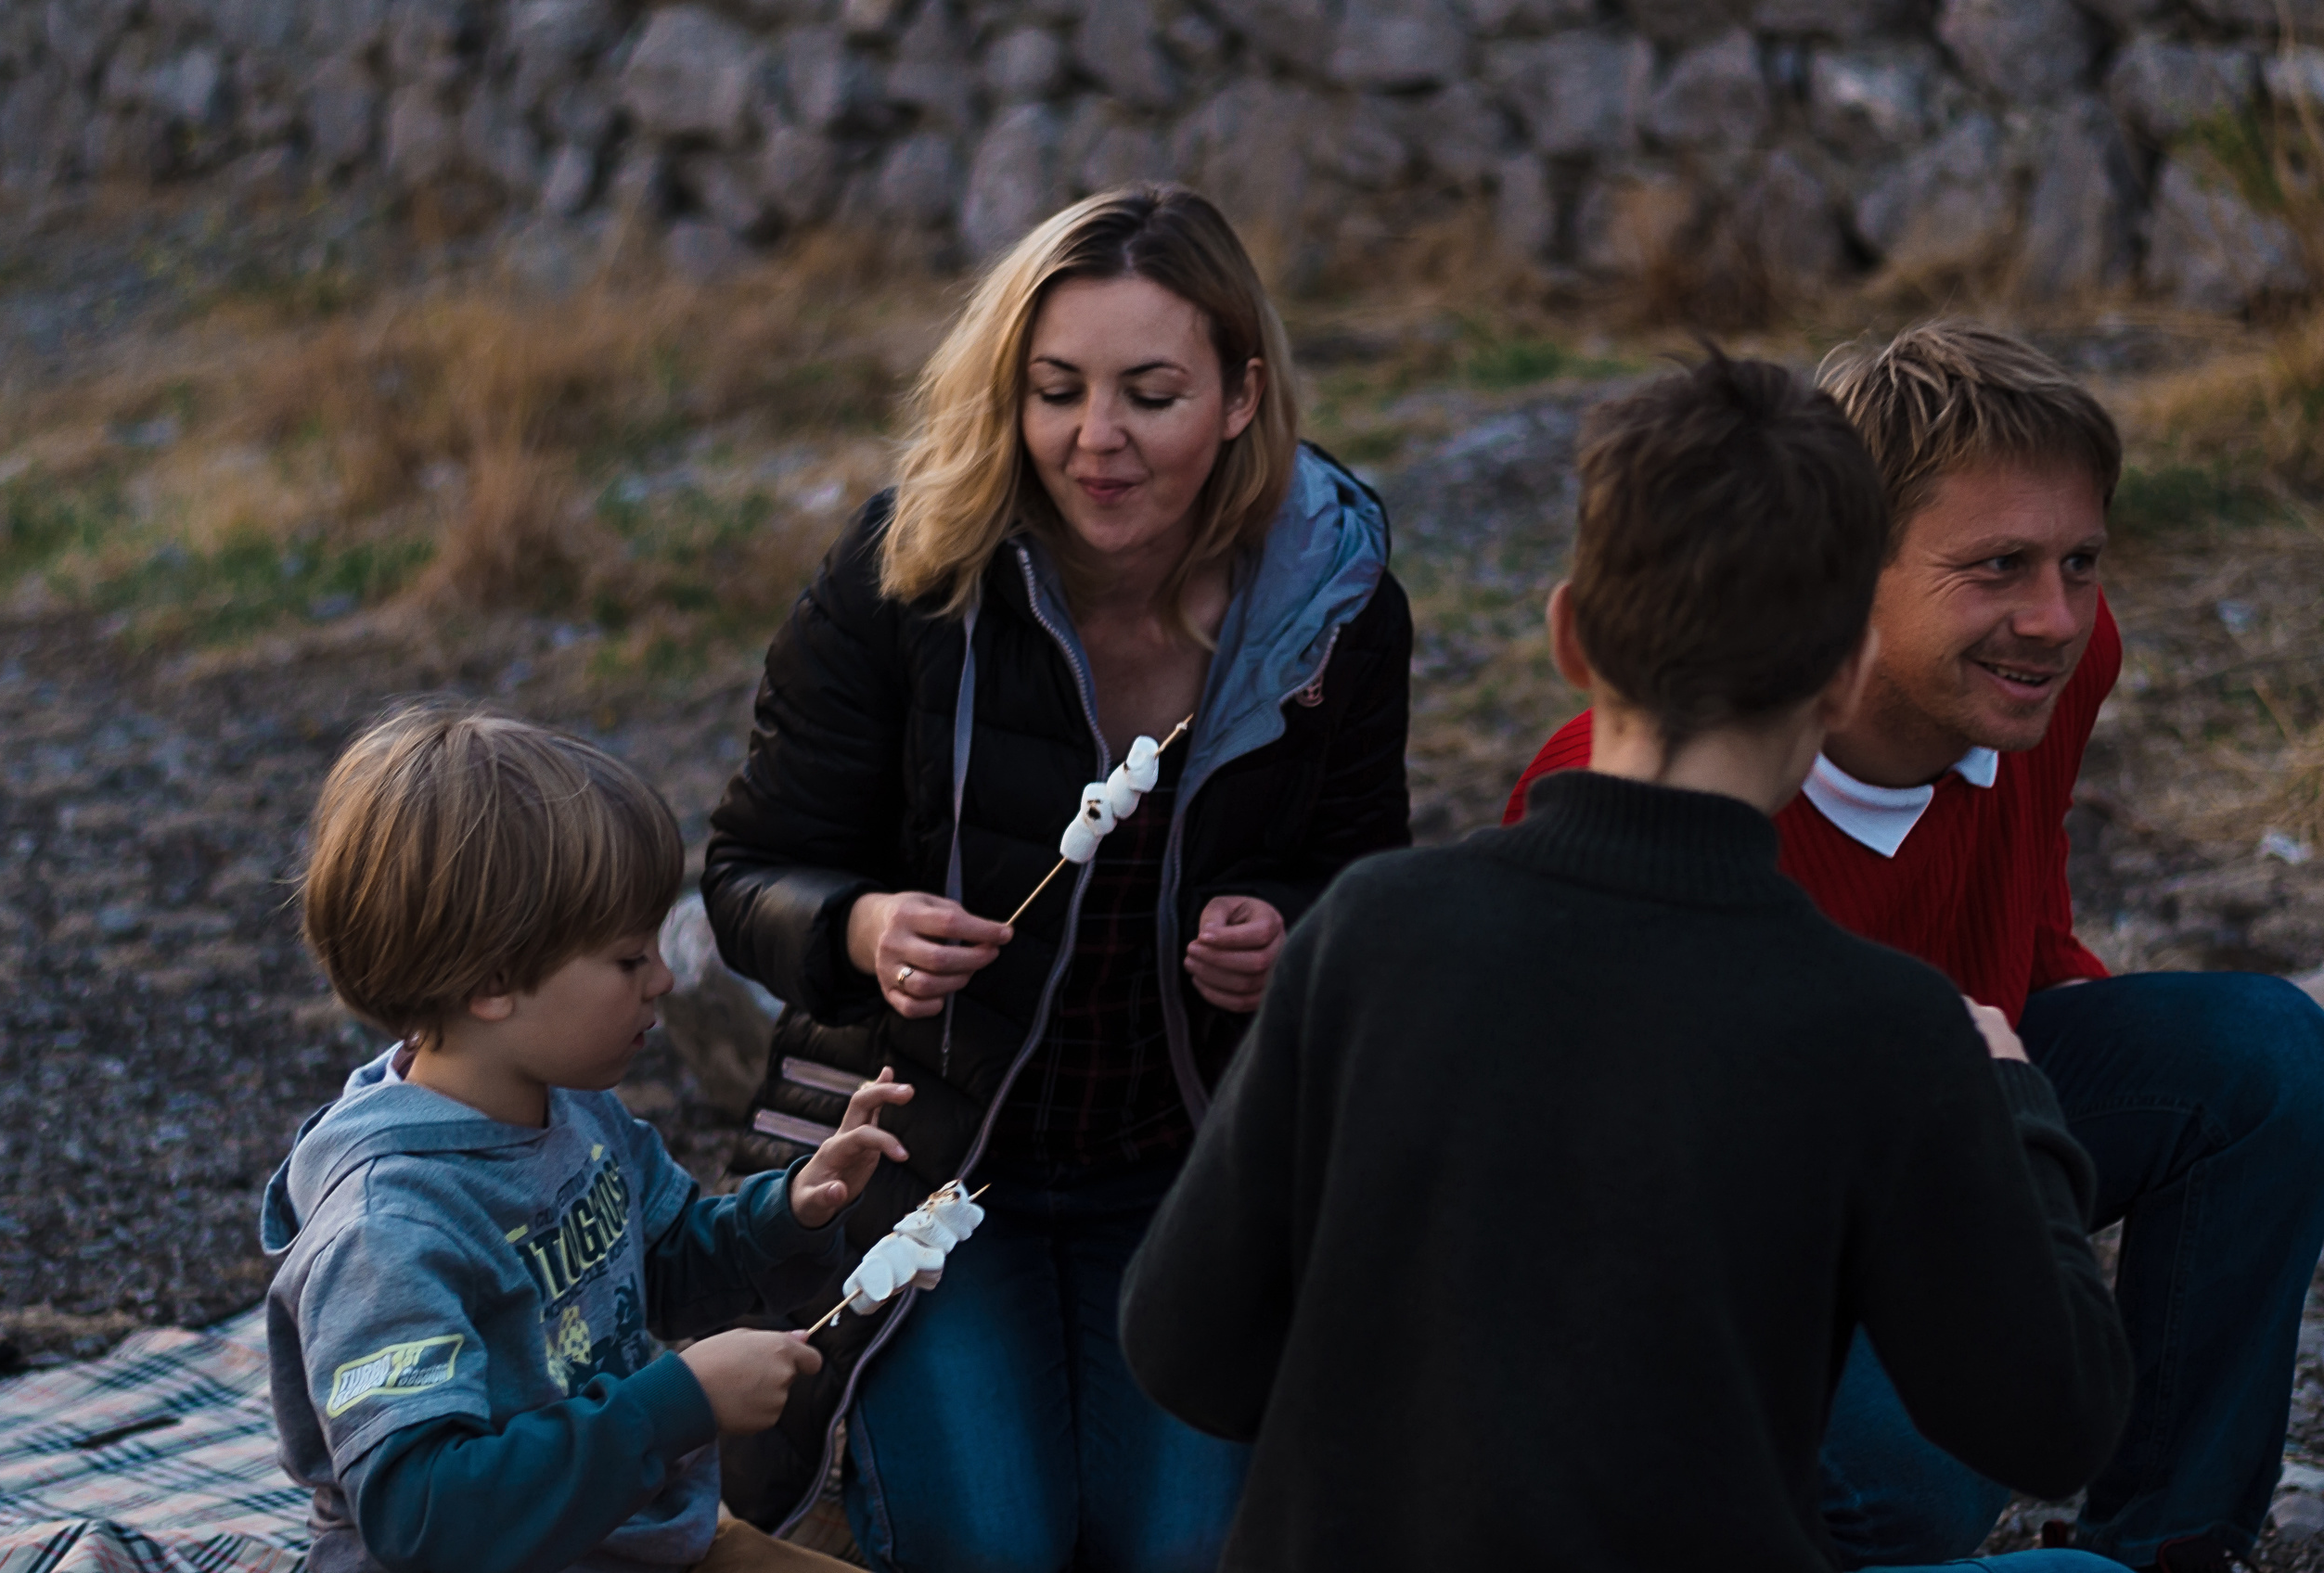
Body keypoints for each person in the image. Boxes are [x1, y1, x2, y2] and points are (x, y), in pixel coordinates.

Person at [1120, 352, 2135, 1572]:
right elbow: (2058, 1417)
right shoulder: (1888, 1022)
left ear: (1571, 637)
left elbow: (1181, 1344)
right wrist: (2019, 1107)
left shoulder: (1368, 928)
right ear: (1849, 672)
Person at [1504, 322, 2324, 1572]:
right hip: (1751, 1254)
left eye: (2080, 560)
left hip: (1957, 1123)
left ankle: (2172, 1544)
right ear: (1841, 570)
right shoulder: (1651, 782)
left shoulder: (2051, 664)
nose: (2051, 617)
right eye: (1996, 566)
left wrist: (2052, 1142)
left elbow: (2030, 900)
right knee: (1916, 1470)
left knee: (2261, 1055)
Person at [700, 184, 1412, 1571]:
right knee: (1001, 1542)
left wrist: (1299, 933)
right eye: (1058, 391)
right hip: (932, 1166)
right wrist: (857, 927)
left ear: (1239, 394)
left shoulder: (1334, 608)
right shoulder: (909, 574)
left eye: (1151, 393)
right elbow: (745, 873)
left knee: (1180, 1549)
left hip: (1193, 1171)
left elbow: (1369, 885)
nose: (1099, 441)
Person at [263, 707, 906, 1573]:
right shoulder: (387, 1234)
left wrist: (790, 1212)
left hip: (632, 1537)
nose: (667, 980)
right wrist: (676, 1405)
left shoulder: (574, 1110)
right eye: (627, 959)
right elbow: (422, 1517)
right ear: (492, 982)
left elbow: (663, 1262)